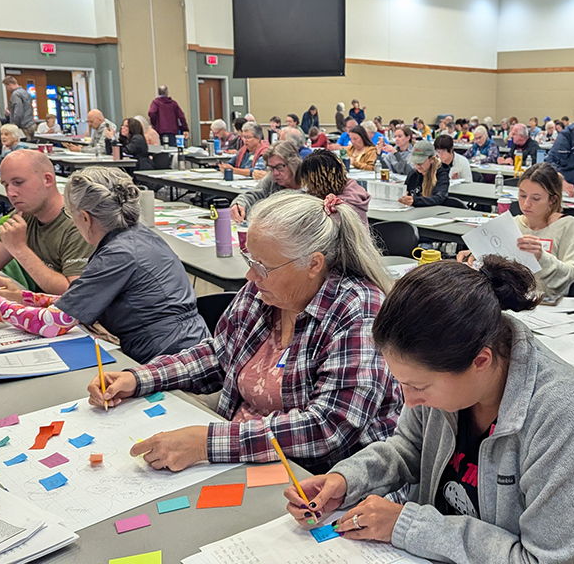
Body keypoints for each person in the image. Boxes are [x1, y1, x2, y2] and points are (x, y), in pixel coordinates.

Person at [284, 256, 574, 562]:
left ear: (481, 361)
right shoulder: (449, 376)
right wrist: (348, 480)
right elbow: (409, 448)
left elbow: (547, 560)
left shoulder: (562, 415)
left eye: (418, 386)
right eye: (402, 382)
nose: (409, 399)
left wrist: (408, 526)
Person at [87, 192, 402, 474]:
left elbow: (328, 427)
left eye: (263, 266)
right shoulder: (264, 291)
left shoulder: (359, 310)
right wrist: (139, 378)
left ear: (313, 264)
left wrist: (206, 443)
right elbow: (218, 356)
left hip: (317, 476)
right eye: (250, 260)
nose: (251, 275)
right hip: (243, 452)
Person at [0, 166, 208, 363]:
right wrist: (23, 297)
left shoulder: (116, 256)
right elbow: (77, 302)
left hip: (168, 358)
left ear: (86, 218)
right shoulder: (137, 235)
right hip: (182, 349)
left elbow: (53, 324)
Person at [0, 150, 94, 295]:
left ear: (47, 180)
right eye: (6, 185)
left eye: (18, 183)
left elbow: (74, 293)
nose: (10, 193)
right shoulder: (26, 213)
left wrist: (20, 249)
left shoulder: (78, 223)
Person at [460, 164, 574, 296]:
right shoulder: (511, 224)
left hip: (552, 304)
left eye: (536, 198)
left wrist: (542, 258)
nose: (526, 204)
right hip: (515, 301)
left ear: (552, 199)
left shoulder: (568, 225)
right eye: (522, 195)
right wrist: (478, 256)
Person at [230, 141, 303, 222]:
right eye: (271, 168)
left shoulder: (309, 182)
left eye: (280, 167)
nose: (275, 173)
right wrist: (239, 204)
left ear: (293, 163)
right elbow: (253, 195)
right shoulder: (271, 179)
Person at [297, 150, 372, 228]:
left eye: (307, 182)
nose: (307, 187)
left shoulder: (336, 209)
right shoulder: (353, 191)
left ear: (317, 182)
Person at [400, 141, 449, 207]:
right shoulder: (413, 174)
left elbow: (439, 198)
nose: (417, 165)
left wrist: (415, 201)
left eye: (421, 161)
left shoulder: (441, 175)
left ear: (432, 159)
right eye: (415, 161)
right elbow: (406, 191)